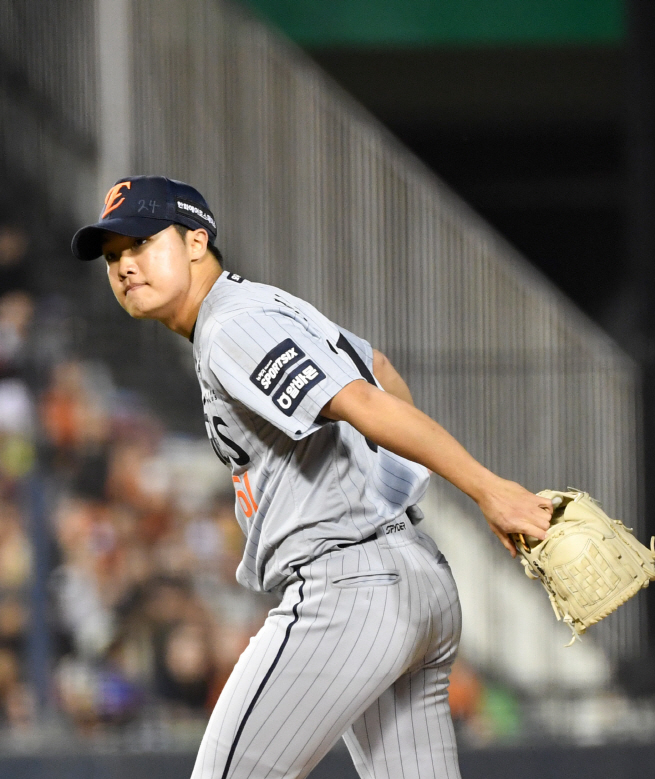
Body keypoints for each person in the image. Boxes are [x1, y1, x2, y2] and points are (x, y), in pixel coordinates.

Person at [70, 176, 552, 779]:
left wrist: (488, 488)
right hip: (413, 579)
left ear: (197, 242)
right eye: (113, 256)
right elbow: (380, 370)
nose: (124, 266)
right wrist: (391, 508)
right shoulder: (267, 304)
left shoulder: (230, 327)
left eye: (141, 243)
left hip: (350, 592)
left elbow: (365, 401)